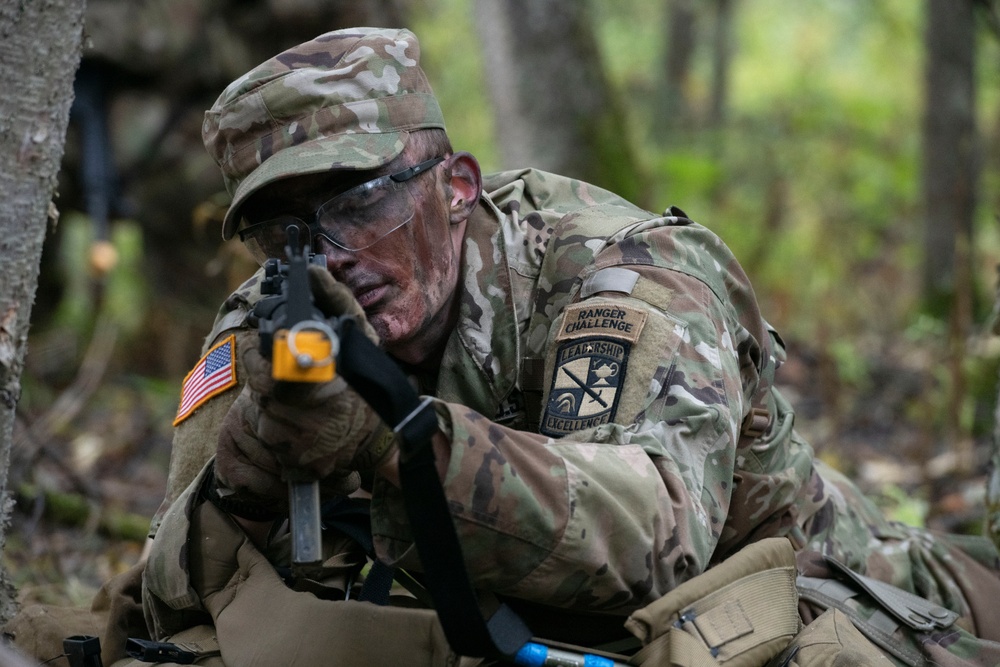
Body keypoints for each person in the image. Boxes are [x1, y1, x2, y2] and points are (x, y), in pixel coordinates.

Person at [6, 26, 1000, 667]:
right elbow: (166, 583)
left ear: (456, 186)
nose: (331, 255)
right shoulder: (279, 320)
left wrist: (393, 435)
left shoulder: (618, 275)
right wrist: (248, 471)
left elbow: (649, 544)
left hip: (821, 583)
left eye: (359, 202)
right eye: (287, 228)